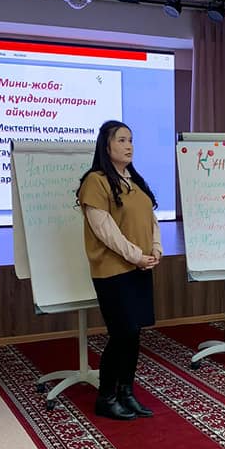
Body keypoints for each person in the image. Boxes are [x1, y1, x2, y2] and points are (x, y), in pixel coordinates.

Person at [77, 120, 162, 421]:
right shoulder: (96, 181)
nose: (129, 146)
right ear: (106, 145)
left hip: (139, 266)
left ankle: (126, 392)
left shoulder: (134, 180)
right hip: (113, 270)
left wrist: (156, 248)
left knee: (133, 333)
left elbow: (151, 219)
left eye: (131, 140)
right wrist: (136, 255)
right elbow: (106, 232)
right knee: (121, 333)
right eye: (122, 140)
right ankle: (107, 397)